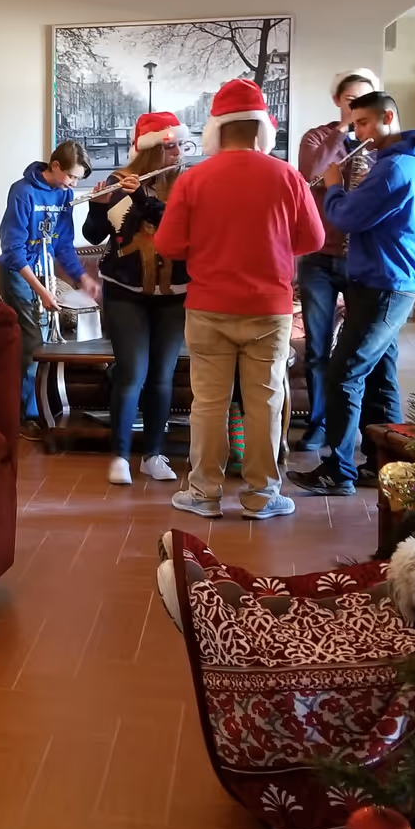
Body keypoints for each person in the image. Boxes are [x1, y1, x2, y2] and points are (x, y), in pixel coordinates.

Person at [153, 80, 324, 521]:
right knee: (264, 401)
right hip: (269, 307)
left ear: (215, 128)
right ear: (263, 127)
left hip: (208, 306)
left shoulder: (194, 179)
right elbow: (314, 238)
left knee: (208, 403)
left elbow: (168, 244)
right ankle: (262, 496)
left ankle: (205, 492)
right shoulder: (286, 175)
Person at [289, 90, 415, 497]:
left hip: (385, 286)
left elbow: (346, 217)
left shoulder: (394, 167)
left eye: (364, 123)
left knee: (342, 374)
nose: (358, 132)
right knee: (381, 377)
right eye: (355, 125)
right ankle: (387, 466)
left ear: (388, 116)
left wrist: (332, 186)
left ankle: (339, 470)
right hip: (380, 282)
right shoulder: (394, 163)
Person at [84, 110, 188, 486]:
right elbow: (96, 235)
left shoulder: (188, 184)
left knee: (162, 376)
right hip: (124, 291)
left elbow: (175, 225)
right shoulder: (119, 181)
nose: (178, 152)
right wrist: (99, 205)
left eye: (179, 145)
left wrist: (142, 197)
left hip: (174, 293)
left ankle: (154, 454)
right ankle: (120, 456)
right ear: (149, 151)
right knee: (132, 373)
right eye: (170, 146)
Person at [293, 69, 380, 450]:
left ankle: (357, 428)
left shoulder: (382, 143)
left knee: (360, 348)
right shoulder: (317, 136)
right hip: (318, 259)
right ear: (338, 102)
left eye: (365, 100)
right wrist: (341, 131)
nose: (357, 107)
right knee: (317, 346)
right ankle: (318, 425)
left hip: (363, 259)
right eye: (351, 101)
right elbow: (310, 174)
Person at [0, 141, 100, 440]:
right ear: (55, 166)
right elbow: (13, 251)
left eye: (78, 179)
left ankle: (44, 407)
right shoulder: (22, 191)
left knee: (46, 341)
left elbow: (63, 245)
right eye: (72, 177)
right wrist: (41, 290)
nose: (74, 184)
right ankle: (26, 417)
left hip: (43, 269)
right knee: (34, 343)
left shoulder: (65, 194)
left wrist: (82, 279)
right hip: (20, 272)